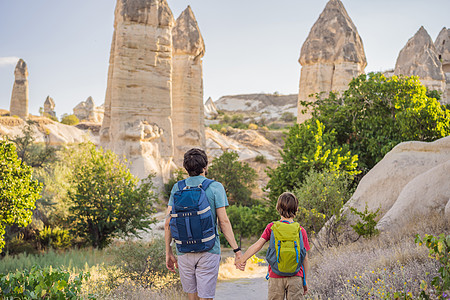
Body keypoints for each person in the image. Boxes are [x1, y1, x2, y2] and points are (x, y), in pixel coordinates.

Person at [165, 148, 243, 300]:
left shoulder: (177, 188)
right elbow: (224, 222)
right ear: (205, 167)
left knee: (191, 297)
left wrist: (168, 252)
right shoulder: (215, 187)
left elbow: (168, 222)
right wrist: (236, 250)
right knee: (206, 297)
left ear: (186, 168)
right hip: (209, 250)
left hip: (184, 250)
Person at [235, 192, 310, 300]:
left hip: (275, 276)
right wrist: (305, 281)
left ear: (278, 208)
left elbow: (257, 245)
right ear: (296, 209)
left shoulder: (272, 227)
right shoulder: (300, 230)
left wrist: (242, 259)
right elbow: (305, 259)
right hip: (296, 276)